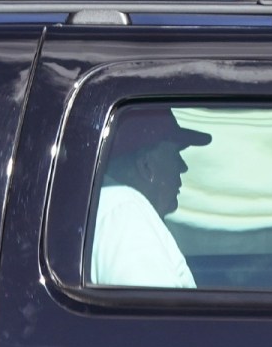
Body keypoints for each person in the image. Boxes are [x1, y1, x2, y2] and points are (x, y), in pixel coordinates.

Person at [90, 106, 211, 287]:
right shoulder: (125, 210)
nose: (183, 166)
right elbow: (156, 313)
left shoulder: (109, 207)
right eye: (175, 154)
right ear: (146, 167)